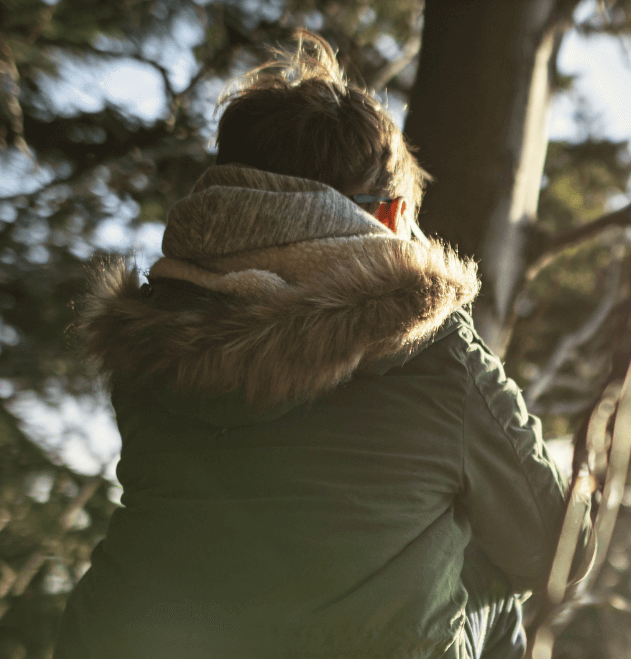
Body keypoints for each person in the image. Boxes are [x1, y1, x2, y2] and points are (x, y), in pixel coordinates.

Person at [58, 31, 574, 659]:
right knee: (488, 577)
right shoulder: (436, 351)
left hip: (128, 644)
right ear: (389, 220)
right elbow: (556, 553)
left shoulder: (149, 340)